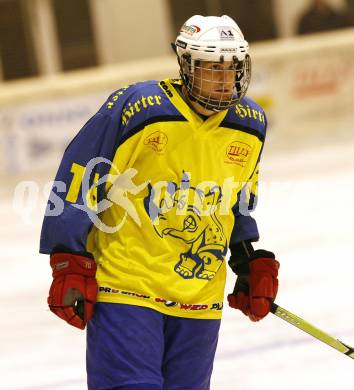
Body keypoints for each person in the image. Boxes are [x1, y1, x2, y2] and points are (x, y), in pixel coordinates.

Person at [40, 15, 279, 390]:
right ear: (187, 66)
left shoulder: (250, 123)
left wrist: (248, 258)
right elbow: (80, 175)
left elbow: (238, 200)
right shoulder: (140, 108)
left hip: (200, 293)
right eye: (211, 68)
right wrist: (67, 258)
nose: (223, 78)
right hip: (127, 286)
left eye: (231, 67)